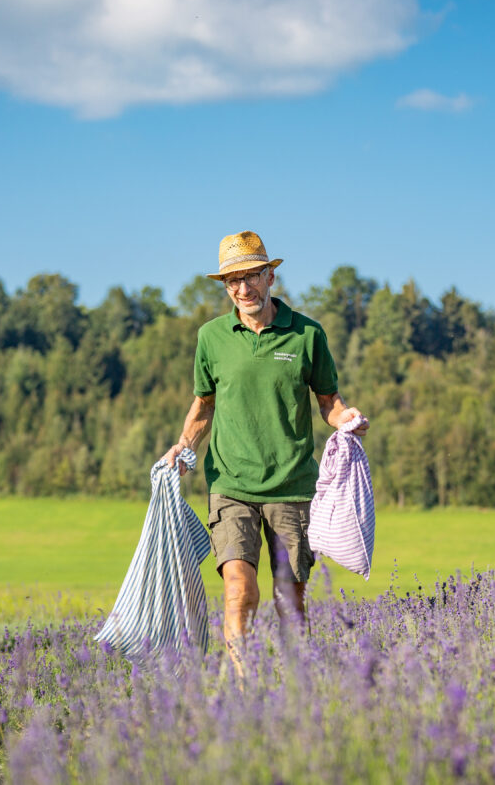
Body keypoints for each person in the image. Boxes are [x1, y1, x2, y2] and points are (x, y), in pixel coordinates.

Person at [163, 230, 367, 667]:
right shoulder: (212, 337)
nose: (243, 289)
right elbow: (203, 405)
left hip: (291, 488)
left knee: (289, 597)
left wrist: (346, 419)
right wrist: (182, 447)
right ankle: (243, 691)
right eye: (232, 281)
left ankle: (296, 692)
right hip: (231, 484)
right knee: (239, 590)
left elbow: (328, 400)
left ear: (270, 277)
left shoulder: (306, 334)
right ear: (224, 286)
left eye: (252, 276)